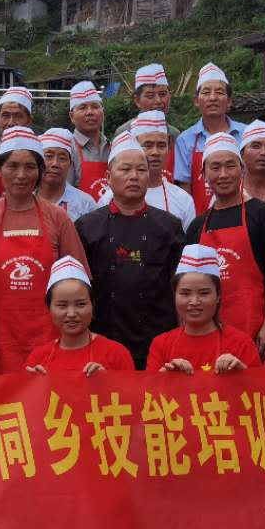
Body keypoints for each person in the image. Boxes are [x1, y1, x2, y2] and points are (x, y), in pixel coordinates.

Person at [0, 126, 88, 374]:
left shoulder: (58, 218)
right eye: (12, 166)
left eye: (30, 167)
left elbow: (79, 282)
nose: (21, 175)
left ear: (40, 172)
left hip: (51, 338)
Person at [74, 134, 185, 369]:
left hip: (158, 342)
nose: (134, 176)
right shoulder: (86, 227)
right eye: (125, 169)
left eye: (141, 170)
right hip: (103, 342)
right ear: (108, 177)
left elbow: (180, 288)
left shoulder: (169, 226)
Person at [185, 131, 265, 358]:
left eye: (230, 166)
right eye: (215, 167)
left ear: (242, 169)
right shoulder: (197, 226)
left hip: (255, 327)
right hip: (208, 329)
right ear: (203, 175)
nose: (223, 174)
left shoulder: (263, 214)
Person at [147, 245, 260, 374]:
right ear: (174, 296)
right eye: (185, 293)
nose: (194, 302)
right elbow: (149, 387)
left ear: (218, 296)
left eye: (204, 293)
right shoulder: (161, 345)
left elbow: (260, 386)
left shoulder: (242, 344)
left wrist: (242, 374)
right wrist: (163, 378)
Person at [25, 255, 135, 375]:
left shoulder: (117, 354)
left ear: (92, 305)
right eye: (62, 305)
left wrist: (108, 381)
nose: (71, 314)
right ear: (49, 308)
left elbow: (131, 388)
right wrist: (34, 383)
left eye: (80, 304)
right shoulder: (38, 359)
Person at [173, 62, 246, 216]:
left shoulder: (246, 134)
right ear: (196, 101)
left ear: (229, 101)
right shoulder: (185, 140)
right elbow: (185, 189)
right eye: (206, 92)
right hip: (202, 219)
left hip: (245, 216)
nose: (213, 98)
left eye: (219, 92)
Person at [131, 111, 195, 226]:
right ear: (134, 146)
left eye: (161, 146)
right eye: (148, 145)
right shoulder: (113, 198)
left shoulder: (183, 200)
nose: (155, 152)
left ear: (168, 148)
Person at [116, 64, 179, 170]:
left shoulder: (175, 135)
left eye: (163, 94)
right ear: (137, 100)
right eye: (150, 96)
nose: (158, 101)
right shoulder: (124, 133)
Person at [36, 128, 99, 220]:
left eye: (62, 158)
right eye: (48, 156)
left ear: (70, 164)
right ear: (38, 161)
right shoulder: (24, 198)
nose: (55, 164)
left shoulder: (85, 204)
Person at [68, 81, 110, 197]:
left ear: (103, 112)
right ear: (72, 117)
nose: (90, 112)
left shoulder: (113, 147)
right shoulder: (67, 149)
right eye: (82, 108)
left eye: (95, 107)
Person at [0, 85, 35, 176]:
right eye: (5, 115)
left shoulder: (42, 155)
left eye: (18, 116)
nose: (11, 123)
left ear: (29, 120)